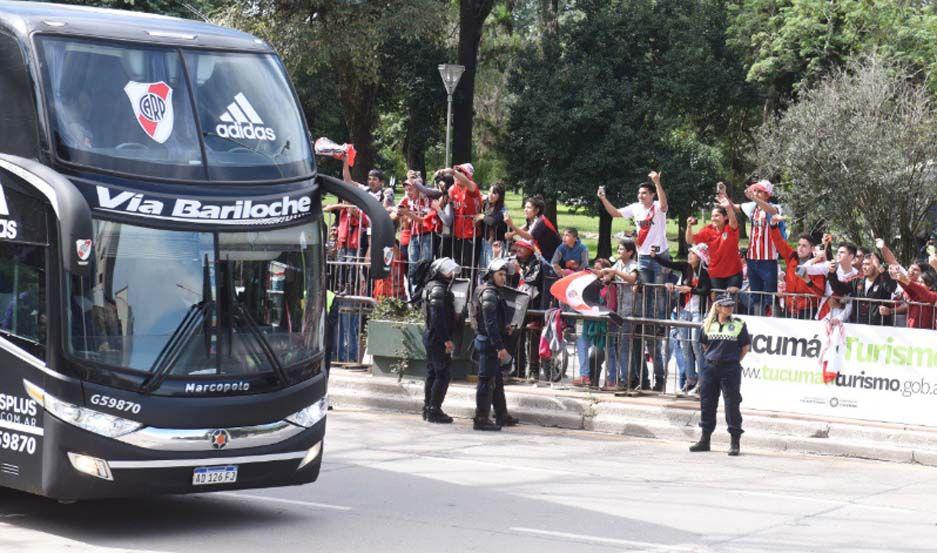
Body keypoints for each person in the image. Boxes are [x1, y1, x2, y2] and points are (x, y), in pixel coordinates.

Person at [598, 172, 669, 390]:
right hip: (644, 256)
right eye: (639, 193)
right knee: (645, 290)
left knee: (659, 290)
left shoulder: (657, 207)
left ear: (651, 195)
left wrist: (657, 182)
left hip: (661, 255)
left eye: (644, 193)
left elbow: (664, 204)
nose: (641, 196)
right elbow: (615, 213)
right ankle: (646, 320)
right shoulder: (636, 208)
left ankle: (659, 324)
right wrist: (603, 198)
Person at [690, 293, 751, 456]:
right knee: (707, 403)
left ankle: (735, 442)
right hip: (710, 368)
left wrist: (731, 360)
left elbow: (745, 348)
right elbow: (704, 346)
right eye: (726, 305)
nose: (730, 308)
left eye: (731, 305)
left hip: (730, 368)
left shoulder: (739, 324)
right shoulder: (707, 324)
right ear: (717, 307)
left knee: (732, 405)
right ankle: (705, 440)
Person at [648, 243, 712, 394]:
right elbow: (669, 263)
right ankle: (690, 379)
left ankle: (702, 381)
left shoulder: (705, 272)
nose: (689, 255)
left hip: (698, 312)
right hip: (684, 311)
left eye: (693, 253)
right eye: (689, 253)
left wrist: (691, 289)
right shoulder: (685, 267)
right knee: (685, 346)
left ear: (700, 257)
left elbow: (706, 290)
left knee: (696, 345)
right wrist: (655, 257)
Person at [472, 258, 519, 431]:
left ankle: (501, 415)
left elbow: (495, 320)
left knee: (496, 381)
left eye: (505, 275)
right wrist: (500, 347)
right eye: (500, 274)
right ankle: (481, 418)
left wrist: (505, 327)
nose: (503, 278)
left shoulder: (494, 292)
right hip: (488, 343)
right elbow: (489, 324)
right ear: (491, 274)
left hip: (490, 341)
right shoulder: (489, 294)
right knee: (486, 381)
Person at [422, 258, 461, 424]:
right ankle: (434, 409)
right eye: (448, 271)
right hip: (437, 337)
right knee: (442, 374)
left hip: (431, 335)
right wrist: (446, 339)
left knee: (433, 373)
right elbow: (437, 317)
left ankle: (428, 407)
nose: (451, 274)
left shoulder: (432, 286)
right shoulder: (438, 288)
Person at [734, 180, 782, 315]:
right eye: (755, 191)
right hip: (752, 259)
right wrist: (725, 197)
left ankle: (775, 322)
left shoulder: (775, 207)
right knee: (756, 296)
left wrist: (754, 198)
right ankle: (759, 321)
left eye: (760, 191)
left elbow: (772, 211)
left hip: (768, 260)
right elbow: (736, 207)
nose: (756, 193)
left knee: (771, 296)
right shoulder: (753, 207)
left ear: (767, 194)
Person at [599, 239, 641, 389]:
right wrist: (602, 274)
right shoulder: (617, 264)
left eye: (622, 249)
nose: (619, 252)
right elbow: (608, 277)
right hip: (620, 309)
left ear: (630, 252)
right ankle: (631, 377)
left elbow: (631, 279)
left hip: (630, 310)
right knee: (621, 345)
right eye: (618, 249)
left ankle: (626, 380)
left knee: (624, 346)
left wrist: (615, 272)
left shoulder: (634, 265)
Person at [687, 191, 742, 293]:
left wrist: (728, 207)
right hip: (715, 274)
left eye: (717, 216)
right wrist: (689, 226)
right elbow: (690, 240)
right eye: (712, 216)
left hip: (733, 273)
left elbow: (733, 221)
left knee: (731, 300)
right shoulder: (708, 230)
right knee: (718, 300)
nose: (713, 218)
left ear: (725, 217)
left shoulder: (730, 228)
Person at [448, 164, 483, 278]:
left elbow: (468, 182)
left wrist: (453, 172)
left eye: (460, 173)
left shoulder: (471, 186)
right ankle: (459, 287)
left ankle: (470, 288)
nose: (456, 176)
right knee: (458, 264)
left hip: (471, 233)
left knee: (469, 266)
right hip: (457, 233)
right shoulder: (453, 189)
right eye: (456, 173)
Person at [478, 184, 508, 269]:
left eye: (494, 193)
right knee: (483, 269)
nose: (490, 194)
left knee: (493, 269)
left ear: (500, 195)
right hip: (484, 241)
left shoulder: (503, 209)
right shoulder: (487, 204)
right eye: (489, 191)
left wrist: (482, 216)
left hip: (496, 244)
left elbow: (493, 221)